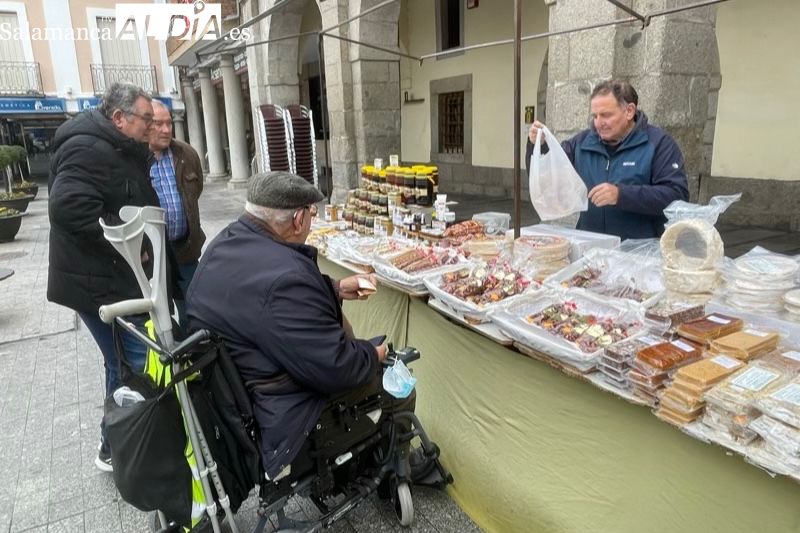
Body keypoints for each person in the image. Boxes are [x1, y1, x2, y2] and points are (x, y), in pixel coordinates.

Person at [186, 171, 414, 482]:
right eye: (312, 213)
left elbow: (261, 305)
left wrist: (332, 289)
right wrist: (375, 354)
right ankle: (388, 471)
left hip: (236, 398)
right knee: (397, 377)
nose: (312, 219)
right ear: (297, 220)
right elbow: (337, 366)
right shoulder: (288, 277)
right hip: (280, 415)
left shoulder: (222, 245)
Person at [48, 82, 158, 472]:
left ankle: (116, 444)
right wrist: (130, 241)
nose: (151, 125)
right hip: (98, 285)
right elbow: (68, 210)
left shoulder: (113, 145)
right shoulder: (87, 148)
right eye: (146, 118)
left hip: (110, 281)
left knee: (121, 362)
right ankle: (121, 445)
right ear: (119, 118)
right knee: (129, 361)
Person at [526, 79, 689, 240]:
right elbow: (546, 176)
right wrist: (537, 146)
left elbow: (677, 196)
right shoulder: (581, 142)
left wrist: (621, 194)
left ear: (629, 111)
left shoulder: (658, 143)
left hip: (638, 252)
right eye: (595, 116)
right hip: (591, 247)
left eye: (606, 115)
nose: (598, 123)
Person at [148, 100, 205, 327]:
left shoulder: (186, 154)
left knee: (194, 309)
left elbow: (196, 190)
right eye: (158, 124)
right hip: (153, 256)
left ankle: (193, 355)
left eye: (169, 123)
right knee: (159, 316)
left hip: (185, 250)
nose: (166, 129)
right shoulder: (135, 160)